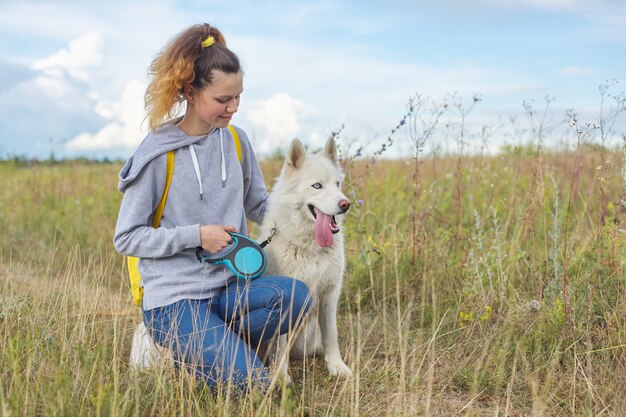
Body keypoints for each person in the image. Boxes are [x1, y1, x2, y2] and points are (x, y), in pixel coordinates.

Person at [113, 23, 311, 394]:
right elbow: (126, 237)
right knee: (253, 385)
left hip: (230, 289)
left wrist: (309, 208)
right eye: (223, 100)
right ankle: (170, 343)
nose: (233, 108)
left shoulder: (236, 141)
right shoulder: (157, 154)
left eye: (238, 97)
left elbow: (259, 207)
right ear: (191, 92)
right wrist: (197, 236)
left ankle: (205, 347)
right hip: (174, 300)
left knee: (297, 297)